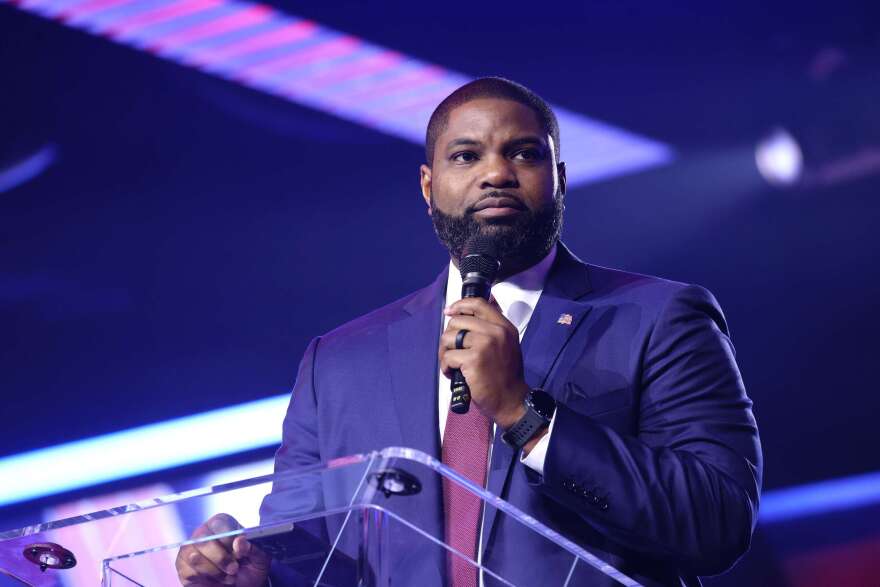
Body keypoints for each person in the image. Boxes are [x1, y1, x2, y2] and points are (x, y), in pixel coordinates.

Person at [176, 77, 762, 586]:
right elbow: (316, 558)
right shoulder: (338, 363)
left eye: (524, 153)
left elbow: (718, 522)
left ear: (558, 179)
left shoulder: (660, 317)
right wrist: (255, 573)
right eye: (466, 156)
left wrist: (523, 412)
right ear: (429, 188)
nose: (496, 174)